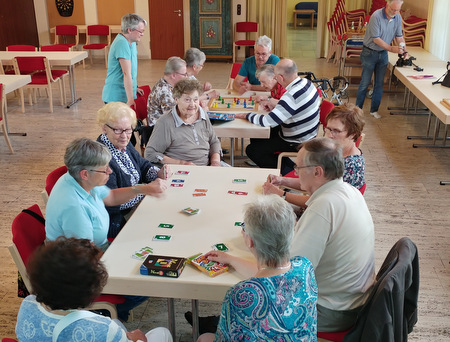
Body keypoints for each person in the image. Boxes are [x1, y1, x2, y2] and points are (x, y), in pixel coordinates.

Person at [196, 195, 318, 342]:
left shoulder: (241, 294)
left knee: (204, 338)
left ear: (250, 240)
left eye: (244, 227)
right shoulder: (305, 267)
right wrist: (231, 259)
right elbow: (273, 277)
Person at [290, 137, 375, 332]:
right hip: (354, 299)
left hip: (331, 311)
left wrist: (257, 249)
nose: (296, 173)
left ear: (317, 172)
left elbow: (292, 276)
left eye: (299, 168)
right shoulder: (350, 191)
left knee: (255, 303)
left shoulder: (323, 207)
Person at [16, 237, 172, 342]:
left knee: (116, 322)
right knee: (163, 333)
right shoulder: (103, 329)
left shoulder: (27, 306)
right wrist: (138, 339)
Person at [45, 138, 167, 251]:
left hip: (99, 247)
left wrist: (143, 189)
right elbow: (87, 254)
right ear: (85, 174)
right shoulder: (74, 207)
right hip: (84, 260)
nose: (110, 171)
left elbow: (111, 197)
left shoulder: (82, 181)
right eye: (104, 169)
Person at [263, 103, 366, 208]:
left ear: (353, 134)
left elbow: (319, 202)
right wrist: (282, 180)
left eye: (336, 131)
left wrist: (281, 194)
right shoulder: (336, 152)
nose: (330, 135)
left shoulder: (350, 166)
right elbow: (314, 182)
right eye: (328, 129)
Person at [97, 102, 171, 238]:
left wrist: (157, 173)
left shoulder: (123, 144)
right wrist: (145, 190)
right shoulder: (100, 158)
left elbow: (143, 165)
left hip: (140, 205)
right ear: (104, 128)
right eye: (118, 130)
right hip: (119, 219)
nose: (124, 136)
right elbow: (111, 201)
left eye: (128, 129)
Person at [235, 58, 320, 168]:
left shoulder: (290, 96)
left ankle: (288, 169)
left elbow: (266, 121)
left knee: (252, 150)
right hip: (310, 134)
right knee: (258, 136)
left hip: (297, 141)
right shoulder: (307, 83)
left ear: (280, 77)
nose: (275, 79)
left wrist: (247, 115)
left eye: (275, 76)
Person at [145, 78, 222, 166]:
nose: (192, 105)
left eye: (195, 100)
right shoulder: (165, 122)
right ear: (176, 99)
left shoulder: (202, 114)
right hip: (182, 171)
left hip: (208, 167)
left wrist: (215, 162)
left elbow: (214, 141)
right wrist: (182, 163)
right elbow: (150, 154)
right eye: (187, 100)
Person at [355, 0, 407, 119]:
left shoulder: (397, 17)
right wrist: (391, 48)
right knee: (365, 83)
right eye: (393, 9)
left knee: (379, 84)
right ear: (387, 5)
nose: (395, 12)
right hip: (369, 53)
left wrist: (404, 49)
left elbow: (399, 36)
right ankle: (357, 111)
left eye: (397, 10)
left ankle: (374, 110)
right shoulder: (376, 16)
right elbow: (376, 39)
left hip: (383, 54)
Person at [102, 14, 147, 107]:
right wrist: (130, 99)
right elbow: (126, 73)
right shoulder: (121, 43)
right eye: (141, 31)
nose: (142, 34)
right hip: (116, 96)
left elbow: (132, 69)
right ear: (129, 30)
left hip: (125, 91)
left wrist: (135, 87)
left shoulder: (132, 41)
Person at [147, 56, 187, 129]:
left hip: (167, 127)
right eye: (184, 74)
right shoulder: (164, 92)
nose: (186, 77)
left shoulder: (166, 83)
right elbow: (175, 119)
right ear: (173, 75)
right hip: (160, 131)